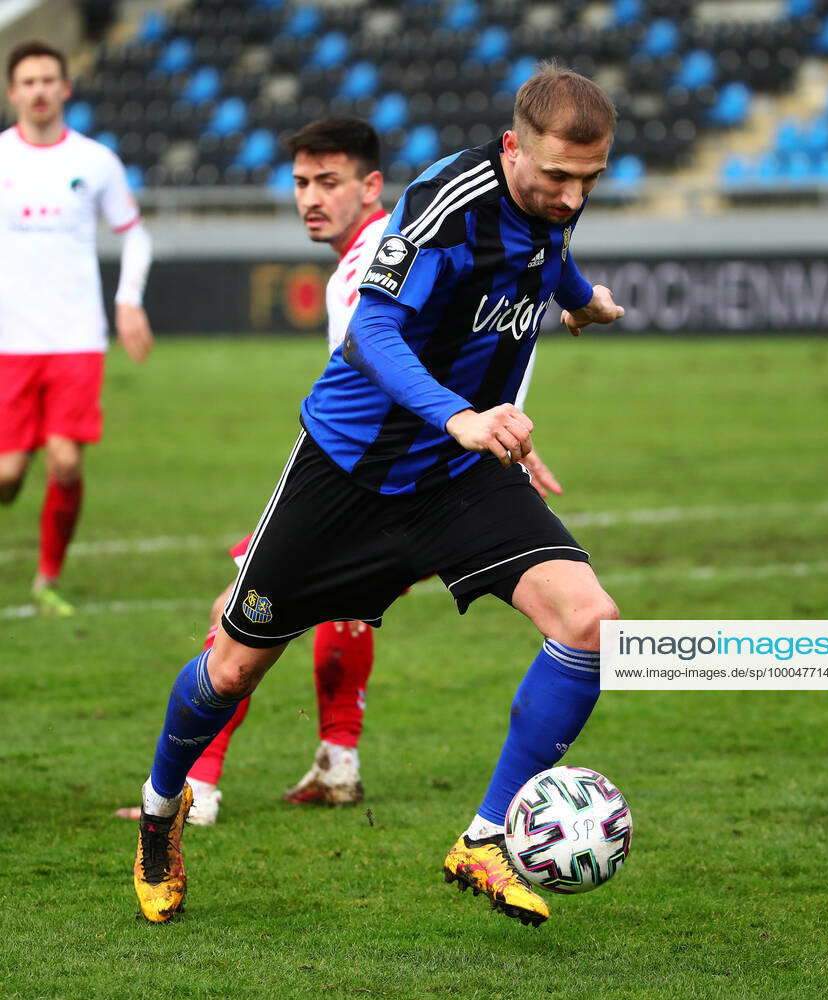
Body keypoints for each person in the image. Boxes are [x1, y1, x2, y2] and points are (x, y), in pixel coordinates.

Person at [132, 65, 623, 928]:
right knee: (235, 663)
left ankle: (484, 842)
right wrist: (459, 416)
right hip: (348, 472)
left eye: (591, 178)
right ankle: (161, 810)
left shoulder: (551, 207)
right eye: (556, 176)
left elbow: (549, 256)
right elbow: (371, 330)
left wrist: (585, 302)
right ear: (512, 149)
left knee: (590, 625)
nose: (572, 194)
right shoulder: (449, 202)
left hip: (456, 480)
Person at [114, 118, 560, 825]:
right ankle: (337, 761)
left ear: (371, 186)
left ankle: (196, 791)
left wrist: (488, 432)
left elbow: (401, 361)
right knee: (339, 604)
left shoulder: (378, 260)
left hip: (398, 478)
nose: (310, 199)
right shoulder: (414, 242)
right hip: (431, 468)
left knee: (233, 617)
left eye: (329, 182)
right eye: (300, 183)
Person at [0, 40, 153, 616]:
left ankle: (46, 580)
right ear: (13, 92)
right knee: (8, 476)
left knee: (65, 460)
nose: (39, 90)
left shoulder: (93, 161)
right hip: (9, 341)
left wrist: (128, 300)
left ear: (65, 88)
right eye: (28, 81)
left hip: (75, 337)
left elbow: (133, 233)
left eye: (48, 79)